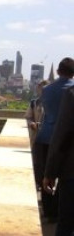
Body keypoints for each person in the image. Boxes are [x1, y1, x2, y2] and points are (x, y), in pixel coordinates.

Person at [42, 61, 74, 236]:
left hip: (69, 166)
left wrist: (50, 171)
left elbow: (62, 133)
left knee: (66, 227)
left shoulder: (56, 92)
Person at [35, 59, 74, 222]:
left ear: (58, 71)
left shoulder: (47, 90)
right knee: (65, 177)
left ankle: (49, 212)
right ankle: (60, 209)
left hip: (46, 135)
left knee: (46, 174)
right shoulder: (71, 90)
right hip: (68, 141)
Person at [25, 80, 48, 147]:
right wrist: (31, 123)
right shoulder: (34, 103)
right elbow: (28, 117)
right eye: (40, 88)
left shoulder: (52, 103)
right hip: (34, 135)